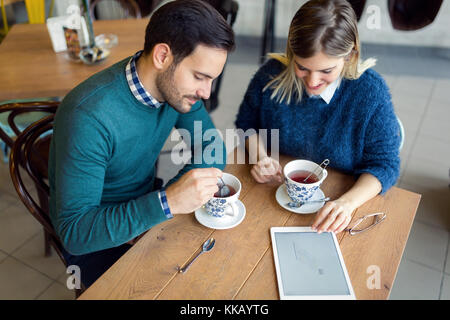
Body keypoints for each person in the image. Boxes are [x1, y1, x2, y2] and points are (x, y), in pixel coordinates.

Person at [48, 0, 235, 289]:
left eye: (212, 79)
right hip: (96, 240)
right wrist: (168, 201)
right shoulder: (88, 116)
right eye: (200, 76)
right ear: (162, 56)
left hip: (146, 208)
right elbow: (76, 232)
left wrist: (169, 199)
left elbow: (212, 147)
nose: (206, 92)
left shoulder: (176, 91)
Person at [235, 0, 400, 234]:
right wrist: (260, 157)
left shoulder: (370, 93)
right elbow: (247, 125)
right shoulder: (270, 75)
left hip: (339, 208)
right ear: (292, 54)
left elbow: (385, 166)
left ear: (349, 57)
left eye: (326, 71)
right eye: (302, 67)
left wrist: (347, 203)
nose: (312, 82)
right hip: (272, 199)